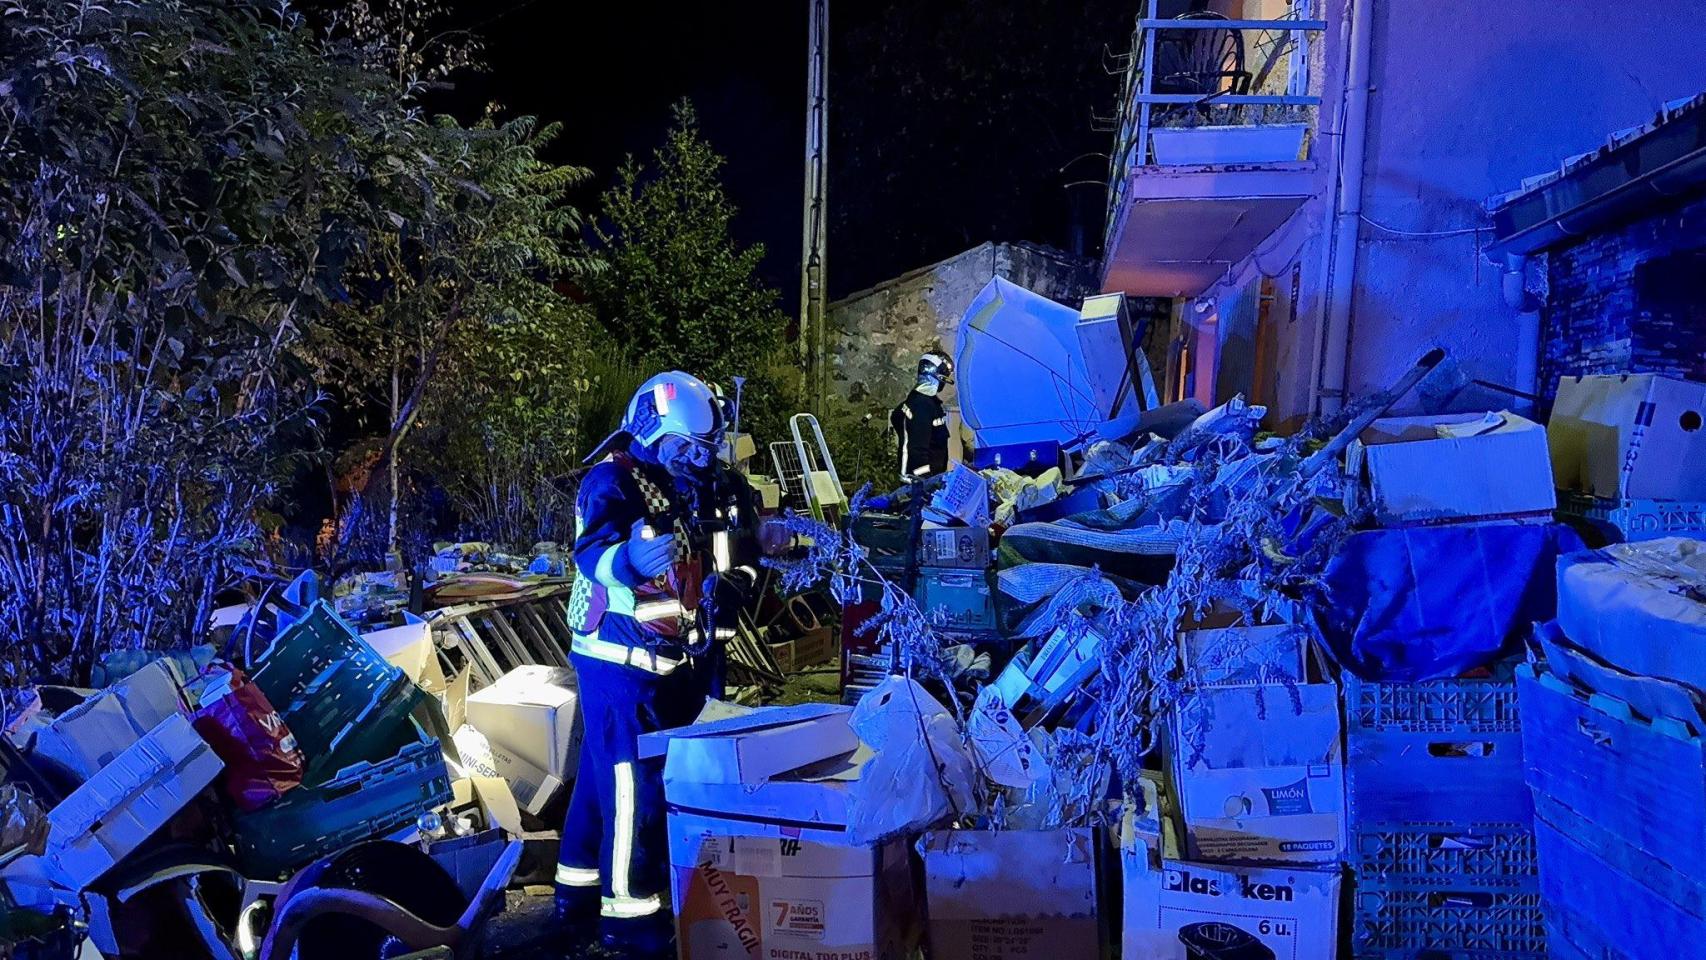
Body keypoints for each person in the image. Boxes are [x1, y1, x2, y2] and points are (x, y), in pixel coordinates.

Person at [552, 370, 776, 955]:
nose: (696, 460)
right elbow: (593, 551)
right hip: (620, 659)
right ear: (651, 429)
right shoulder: (614, 480)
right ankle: (629, 918)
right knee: (633, 785)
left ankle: (575, 889)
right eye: (684, 447)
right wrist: (628, 559)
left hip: (678, 656)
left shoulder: (713, 485)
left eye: (704, 448)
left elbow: (742, 552)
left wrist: (737, 586)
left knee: (605, 782)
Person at [890, 352, 954, 482]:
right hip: (919, 480)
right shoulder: (922, 405)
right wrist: (926, 479)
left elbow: (896, 416)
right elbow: (918, 450)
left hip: (925, 476)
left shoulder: (920, 400)